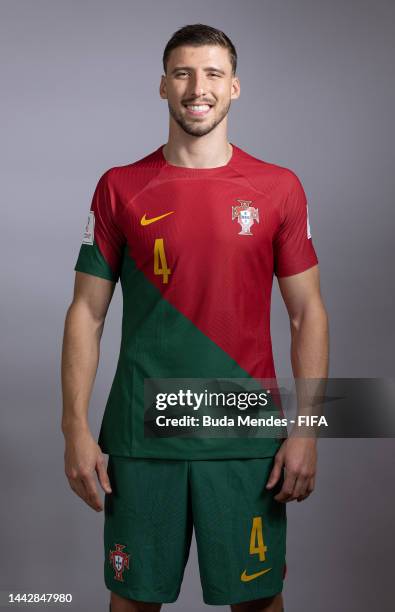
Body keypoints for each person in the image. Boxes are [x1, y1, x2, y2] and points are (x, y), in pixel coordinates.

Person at [61, 23, 329, 612]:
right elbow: (86, 311)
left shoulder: (278, 188)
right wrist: (74, 426)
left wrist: (307, 430)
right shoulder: (120, 188)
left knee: (258, 602)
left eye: (212, 74)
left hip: (243, 434)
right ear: (163, 86)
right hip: (142, 435)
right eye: (182, 73)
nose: (197, 87)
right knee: (133, 601)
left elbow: (307, 313)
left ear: (236, 87)